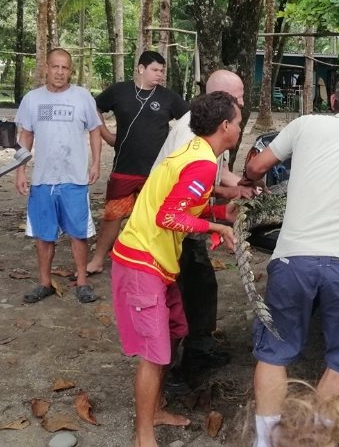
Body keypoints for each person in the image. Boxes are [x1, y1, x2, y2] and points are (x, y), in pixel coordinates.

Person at [242, 71, 339, 447]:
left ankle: (265, 442)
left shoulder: (304, 125)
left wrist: (250, 179)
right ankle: (316, 439)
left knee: (275, 352)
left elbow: (256, 168)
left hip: (294, 258)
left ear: (332, 102)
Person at [111, 91, 240, 447]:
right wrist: (217, 228)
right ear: (225, 126)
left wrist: (217, 213)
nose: (240, 127)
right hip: (142, 260)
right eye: (239, 122)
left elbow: (181, 204)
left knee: (173, 331)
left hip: (158, 262)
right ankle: (144, 435)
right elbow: (168, 216)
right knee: (154, 354)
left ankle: (155, 408)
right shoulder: (201, 162)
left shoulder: (198, 152)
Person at [153, 70, 255, 378]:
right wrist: (221, 219)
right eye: (237, 98)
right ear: (220, 103)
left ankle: (197, 345)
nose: (242, 103)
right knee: (189, 284)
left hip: (185, 217)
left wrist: (243, 187)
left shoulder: (206, 129)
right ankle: (180, 364)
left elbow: (216, 176)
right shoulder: (190, 135)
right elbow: (189, 191)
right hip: (172, 225)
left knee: (200, 282)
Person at [85, 50, 189, 276]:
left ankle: (152, 260)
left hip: (156, 171)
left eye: (162, 71)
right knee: (113, 215)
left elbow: (190, 119)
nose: (159, 75)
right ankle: (98, 259)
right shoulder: (119, 91)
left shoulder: (168, 97)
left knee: (156, 216)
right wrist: (106, 134)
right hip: (124, 167)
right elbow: (93, 107)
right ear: (141, 69)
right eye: (155, 70)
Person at [14, 48, 102, 304]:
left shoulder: (82, 97)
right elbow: (26, 137)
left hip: (74, 178)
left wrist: (96, 162)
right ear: (46, 68)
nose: (60, 72)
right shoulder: (32, 99)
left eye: (65, 68)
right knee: (44, 234)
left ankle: (82, 282)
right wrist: (20, 170)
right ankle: (44, 283)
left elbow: (95, 130)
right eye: (55, 67)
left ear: (70, 71)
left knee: (78, 232)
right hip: (43, 179)